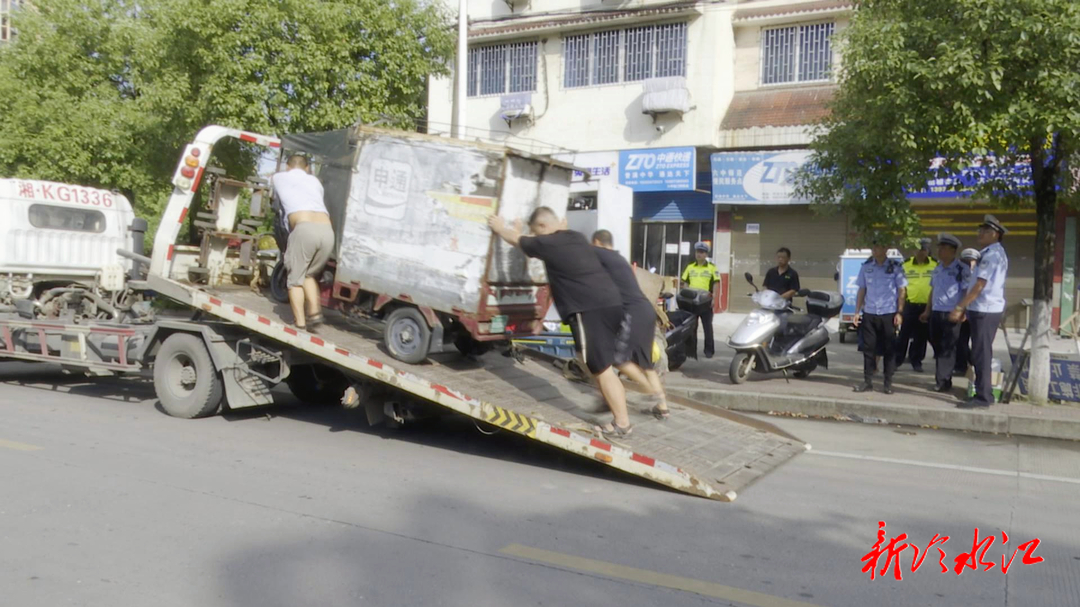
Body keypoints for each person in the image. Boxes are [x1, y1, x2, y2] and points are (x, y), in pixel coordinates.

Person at [488, 208, 633, 438]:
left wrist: (499, 227)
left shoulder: (548, 244)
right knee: (588, 359)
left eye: (537, 231)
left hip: (589, 309)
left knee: (602, 368)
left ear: (543, 228)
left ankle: (622, 424)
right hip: (610, 303)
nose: (538, 237)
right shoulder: (575, 237)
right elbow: (527, 240)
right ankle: (607, 400)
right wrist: (522, 234)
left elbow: (517, 241)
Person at [591, 230, 670, 420]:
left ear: (597, 242)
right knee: (646, 363)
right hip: (646, 310)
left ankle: (650, 391)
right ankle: (662, 407)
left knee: (617, 359)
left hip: (633, 313)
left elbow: (582, 253)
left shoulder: (604, 255)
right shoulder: (619, 259)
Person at [950, 215, 1009, 408]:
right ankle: (984, 393)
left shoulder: (992, 255)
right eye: (980, 230)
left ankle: (983, 397)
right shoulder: (990, 253)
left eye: (985, 231)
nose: (980, 233)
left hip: (985, 310)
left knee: (981, 354)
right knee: (978, 353)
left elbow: (979, 285)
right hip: (981, 309)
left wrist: (960, 306)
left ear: (995, 234)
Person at [271, 154, 335, 331]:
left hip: (304, 229)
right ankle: (314, 312)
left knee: (295, 281)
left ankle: (299, 323)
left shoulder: (279, 177)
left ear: (287, 167)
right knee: (308, 274)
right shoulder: (315, 182)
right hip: (327, 231)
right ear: (307, 169)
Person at [852, 234, 908, 394]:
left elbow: (901, 290)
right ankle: (867, 381)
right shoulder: (866, 266)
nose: (875, 250)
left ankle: (887, 383)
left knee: (889, 348)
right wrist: (857, 312)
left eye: (878, 247)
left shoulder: (895, 267)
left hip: (888, 313)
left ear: (886, 249)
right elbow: (862, 289)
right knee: (868, 349)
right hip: (870, 312)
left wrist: (900, 312)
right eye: (874, 247)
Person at [920, 233, 966, 392]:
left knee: (948, 347)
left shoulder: (961, 269)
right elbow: (933, 290)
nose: (939, 251)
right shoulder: (937, 268)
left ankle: (942, 380)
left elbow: (967, 291)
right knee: (938, 346)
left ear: (953, 251)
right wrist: (927, 310)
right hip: (936, 312)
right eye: (939, 248)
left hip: (952, 313)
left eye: (944, 248)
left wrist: (962, 310)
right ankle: (944, 378)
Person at [896, 238, 938, 372]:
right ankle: (897, 360)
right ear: (914, 250)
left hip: (926, 306)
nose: (921, 252)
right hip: (910, 305)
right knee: (904, 334)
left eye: (924, 250)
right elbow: (900, 286)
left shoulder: (935, 265)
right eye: (919, 250)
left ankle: (916, 361)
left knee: (921, 337)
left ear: (928, 251)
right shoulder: (906, 265)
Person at [680, 242, 719, 358]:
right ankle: (691, 351)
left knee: (707, 327)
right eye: (698, 252)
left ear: (706, 254)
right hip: (691, 302)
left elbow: (716, 284)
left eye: (702, 252)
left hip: (705, 301)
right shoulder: (690, 267)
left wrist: (714, 298)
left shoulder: (712, 268)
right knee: (692, 327)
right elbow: (685, 282)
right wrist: (685, 295)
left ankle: (709, 350)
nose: (699, 254)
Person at [954, 248, 981, 376]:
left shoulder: (980, 273)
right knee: (961, 340)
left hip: (975, 311)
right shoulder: (959, 271)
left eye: (972, 260)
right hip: (963, 310)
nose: (969, 263)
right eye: (966, 260)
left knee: (977, 342)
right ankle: (962, 365)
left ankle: (977, 364)